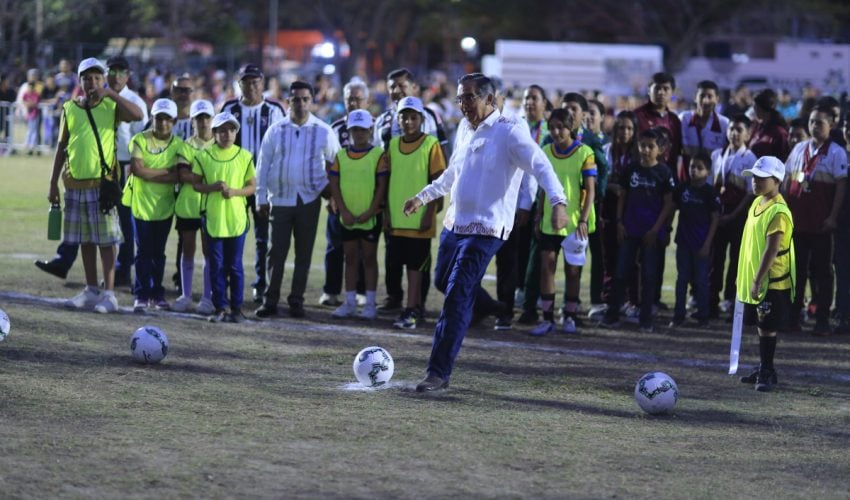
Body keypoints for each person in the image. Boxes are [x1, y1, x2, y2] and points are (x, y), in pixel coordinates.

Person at [402, 73, 567, 392]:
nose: (463, 104)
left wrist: (558, 201)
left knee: (457, 295)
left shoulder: (510, 130)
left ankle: (438, 373)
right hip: (455, 223)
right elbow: (453, 172)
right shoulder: (465, 128)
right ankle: (490, 306)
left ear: (490, 99)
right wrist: (423, 196)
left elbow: (541, 165)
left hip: (486, 228)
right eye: (460, 98)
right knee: (442, 280)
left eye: (469, 97)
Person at [34, 56, 149, 284]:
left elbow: (139, 117)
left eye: (97, 78)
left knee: (111, 236)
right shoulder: (71, 108)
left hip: (108, 176)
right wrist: (52, 182)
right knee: (85, 237)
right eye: (87, 78)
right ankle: (88, 284)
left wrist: (111, 94)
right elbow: (61, 146)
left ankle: (114, 284)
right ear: (80, 81)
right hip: (76, 181)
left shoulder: (114, 104)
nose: (93, 83)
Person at [255, 81, 340, 318]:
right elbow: (262, 165)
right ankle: (270, 300)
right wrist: (260, 197)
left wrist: (332, 196)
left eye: (305, 99)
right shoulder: (275, 130)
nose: (300, 103)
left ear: (312, 101)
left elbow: (336, 164)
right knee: (276, 253)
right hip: (280, 199)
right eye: (295, 99)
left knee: (303, 254)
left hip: (309, 199)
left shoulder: (323, 130)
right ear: (288, 101)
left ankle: (296, 300)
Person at [374, 67, 448, 312]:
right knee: (393, 258)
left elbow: (439, 173)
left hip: (421, 211)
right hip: (394, 211)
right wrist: (384, 208)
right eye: (392, 86)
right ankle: (394, 298)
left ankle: (417, 306)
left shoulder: (431, 130)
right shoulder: (386, 129)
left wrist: (432, 210)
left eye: (402, 85)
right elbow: (382, 171)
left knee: (418, 262)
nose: (408, 122)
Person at [221, 64, 286, 303]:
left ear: (262, 83)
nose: (251, 86)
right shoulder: (229, 108)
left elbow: (281, 147)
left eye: (255, 82)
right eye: (246, 82)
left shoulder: (275, 110)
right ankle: (227, 280)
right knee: (230, 233)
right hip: (234, 185)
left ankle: (261, 283)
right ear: (239, 84)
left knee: (262, 238)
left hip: (263, 185)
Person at [529, 108, 596, 336]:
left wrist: (584, 220)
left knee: (573, 271)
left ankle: (569, 317)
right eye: (553, 127)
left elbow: (590, 190)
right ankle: (548, 319)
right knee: (546, 267)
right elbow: (542, 188)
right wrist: (539, 214)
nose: (556, 132)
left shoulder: (585, 152)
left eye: (561, 127)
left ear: (571, 128)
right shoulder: (545, 151)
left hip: (575, 222)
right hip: (550, 220)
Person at [601, 128, 676, 332]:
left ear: (659, 150)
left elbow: (669, 204)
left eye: (650, 146)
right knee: (620, 272)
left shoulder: (664, 173)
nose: (646, 150)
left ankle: (646, 319)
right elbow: (622, 196)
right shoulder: (631, 169)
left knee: (649, 276)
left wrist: (657, 229)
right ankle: (612, 315)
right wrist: (619, 222)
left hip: (651, 233)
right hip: (630, 230)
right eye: (642, 146)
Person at [784, 104, 847, 336]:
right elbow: (786, 181)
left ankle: (822, 320)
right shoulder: (799, 148)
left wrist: (832, 217)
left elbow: (841, 188)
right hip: (797, 222)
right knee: (796, 272)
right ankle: (793, 318)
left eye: (819, 122)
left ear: (831, 125)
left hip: (822, 225)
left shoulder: (837, 153)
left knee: (823, 274)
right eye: (811, 121)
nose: (814, 126)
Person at [385, 96, 447, 329]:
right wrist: (387, 214)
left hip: (419, 221)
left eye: (413, 117)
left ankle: (412, 309)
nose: (408, 122)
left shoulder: (431, 144)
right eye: (404, 117)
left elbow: (438, 183)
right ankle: (412, 308)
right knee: (398, 265)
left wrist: (429, 213)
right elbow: (388, 181)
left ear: (421, 119)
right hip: (396, 220)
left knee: (416, 268)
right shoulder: (392, 145)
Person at [190, 112, 257, 323]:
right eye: (222, 130)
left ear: (236, 132)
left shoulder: (244, 156)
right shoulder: (204, 156)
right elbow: (196, 184)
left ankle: (237, 308)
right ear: (215, 133)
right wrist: (212, 187)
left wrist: (234, 192)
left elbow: (252, 187)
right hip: (214, 219)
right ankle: (220, 307)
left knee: (235, 266)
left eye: (231, 130)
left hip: (236, 220)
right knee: (216, 265)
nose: (227, 134)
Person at [736, 156, 796, 392]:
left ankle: (768, 371)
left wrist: (757, 279)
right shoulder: (756, 203)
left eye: (762, 178)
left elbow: (772, 250)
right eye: (754, 177)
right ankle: (763, 366)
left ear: (777, 180)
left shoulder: (778, 212)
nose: (756, 181)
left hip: (770, 281)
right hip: (758, 278)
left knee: (768, 325)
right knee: (761, 325)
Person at [124, 98, 186, 313]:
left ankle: (157, 293)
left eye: (167, 119)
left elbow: (178, 176)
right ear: (152, 118)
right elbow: (137, 170)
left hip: (164, 207)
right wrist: (166, 172)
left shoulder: (179, 145)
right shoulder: (139, 139)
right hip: (141, 205)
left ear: (174, 121)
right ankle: (141, 294)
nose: (163, 123)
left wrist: (150, 173)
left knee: (158, 253)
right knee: (143, 252)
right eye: (159, 118)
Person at [328, 109, 388, 320]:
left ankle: (370, 303)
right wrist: (343, 210)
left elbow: (382, 186)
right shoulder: (341, 156)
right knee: (351, 258)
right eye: (355, 130)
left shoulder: (378, 155)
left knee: (369, 258)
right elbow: (334, 184)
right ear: (349, 131)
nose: (359, 134)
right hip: (348, 217)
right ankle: (350, 301)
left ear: (370, 130)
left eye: (363, 130)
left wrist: (371, 211)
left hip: (369, 217)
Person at [323, 79, 371, 307]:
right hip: (339, 198)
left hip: (365, 198)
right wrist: (330, 195)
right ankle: (331, 291)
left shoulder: (375, 127)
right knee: (334, 245)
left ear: (367, 101)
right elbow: (327, 164)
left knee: (363, 247)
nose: (353, 103)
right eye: (349, 99)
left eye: (357, 99)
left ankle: (362, 291)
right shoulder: (334, 129)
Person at [710, 115, 757, 317]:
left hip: (738, 217)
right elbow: (713, 187)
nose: (734, 133)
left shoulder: (750, 159)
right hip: (718, 215)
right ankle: (711, 300)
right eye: (731, 129)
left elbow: (749, 193)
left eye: (739, 130)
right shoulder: (717, 155)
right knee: (715, 259)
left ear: (747, 134)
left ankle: (730, 300)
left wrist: (733, 215)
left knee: (736, 260)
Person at [172, 99, 216, 315]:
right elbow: (183, 174)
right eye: (199, 118)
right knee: (188, 248)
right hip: (188, 205)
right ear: (192, 121)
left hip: (211, 206)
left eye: (206, 117)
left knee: (209, 251)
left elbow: (190, 174)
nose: (203, 122)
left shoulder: (219, 145)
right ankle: (186, 295)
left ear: (212, 119)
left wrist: (197, 177)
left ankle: (207, 297)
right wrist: (208, 180)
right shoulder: (185, 146)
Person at [599, 111, 640, 319]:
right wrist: (612, 186)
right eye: (621, 127)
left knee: (632, 259)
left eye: (629, 128)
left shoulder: (639, 155)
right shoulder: (607, 150)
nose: (625, 132)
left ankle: (632, 301)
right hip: (608, 208)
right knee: (610, 257)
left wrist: (619, 187)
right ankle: (610, 300)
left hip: (632, 210)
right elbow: (600, 181)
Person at [670, 152, 720, 326]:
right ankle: (679, 315)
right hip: (683, 243)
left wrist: (707, 244)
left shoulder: (710, 193)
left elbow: (715, 218)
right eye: (692, 167)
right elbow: (671, 208)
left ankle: (703, 315)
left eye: (700, 168)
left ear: (708, 172)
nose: (694, 171)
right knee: (682, 279)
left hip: (701, 244)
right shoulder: (682, 189)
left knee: (701, 281)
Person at [634, 72, 682, 179]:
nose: (661, 92)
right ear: (649, 90)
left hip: (668, 177)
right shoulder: (637, 116)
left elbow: (678, 152)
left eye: (666, 89)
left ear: (672, 92)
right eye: (657, 88)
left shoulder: (674, 120)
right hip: (642, 177)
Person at [679, 80, 729, 179]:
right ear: (695, 97)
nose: (705, 101)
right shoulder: (684, 119)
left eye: (710, 96)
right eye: (702, 96)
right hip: (687, 180)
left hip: (711, 181)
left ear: (717, 99)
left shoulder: (724, 123)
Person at [834, 114, 850, 334]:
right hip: (842, 222)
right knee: (842, 270)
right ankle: (843, 315)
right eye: (847, 126)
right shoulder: (838, 154)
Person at [749, 89, 790, 161]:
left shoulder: (780, 133)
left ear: (761, 108)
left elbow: (783, 158)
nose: (753, 110)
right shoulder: (757, 127)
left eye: (755, 107)